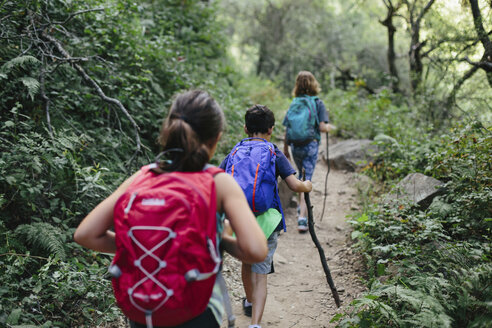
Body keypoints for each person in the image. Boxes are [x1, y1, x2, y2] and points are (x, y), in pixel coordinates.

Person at [73, 90, 268, 328]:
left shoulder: (142, 176)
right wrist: (219, 237)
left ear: (169, 131)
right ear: (215, 139)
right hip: (196, 312)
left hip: (143, 313)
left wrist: (145, 241)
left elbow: (85, 234)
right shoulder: (217, 182)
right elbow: (256, 251)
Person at [220, 105, 312, 328]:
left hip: (240, 221)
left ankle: (249, 301)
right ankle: (255, 323)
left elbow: (220, 178)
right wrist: (307, 185)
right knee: (261, 274)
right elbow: (294, 185)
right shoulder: (273, 151)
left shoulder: (234, 151)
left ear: (245, 128)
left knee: (246, 264)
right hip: (268, 221)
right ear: (271, 130)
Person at [283, 71, 333, 233]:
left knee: (301, 176)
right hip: (310, 145)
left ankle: (300, 206)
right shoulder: (318, 103)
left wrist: (285, 148)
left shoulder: (294, 102)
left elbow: (287, 127)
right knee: (307, 179)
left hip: (295, 145)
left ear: (297, 85)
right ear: (313, 84)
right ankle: (302, 218)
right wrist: (329, 127)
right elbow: (322, 128)